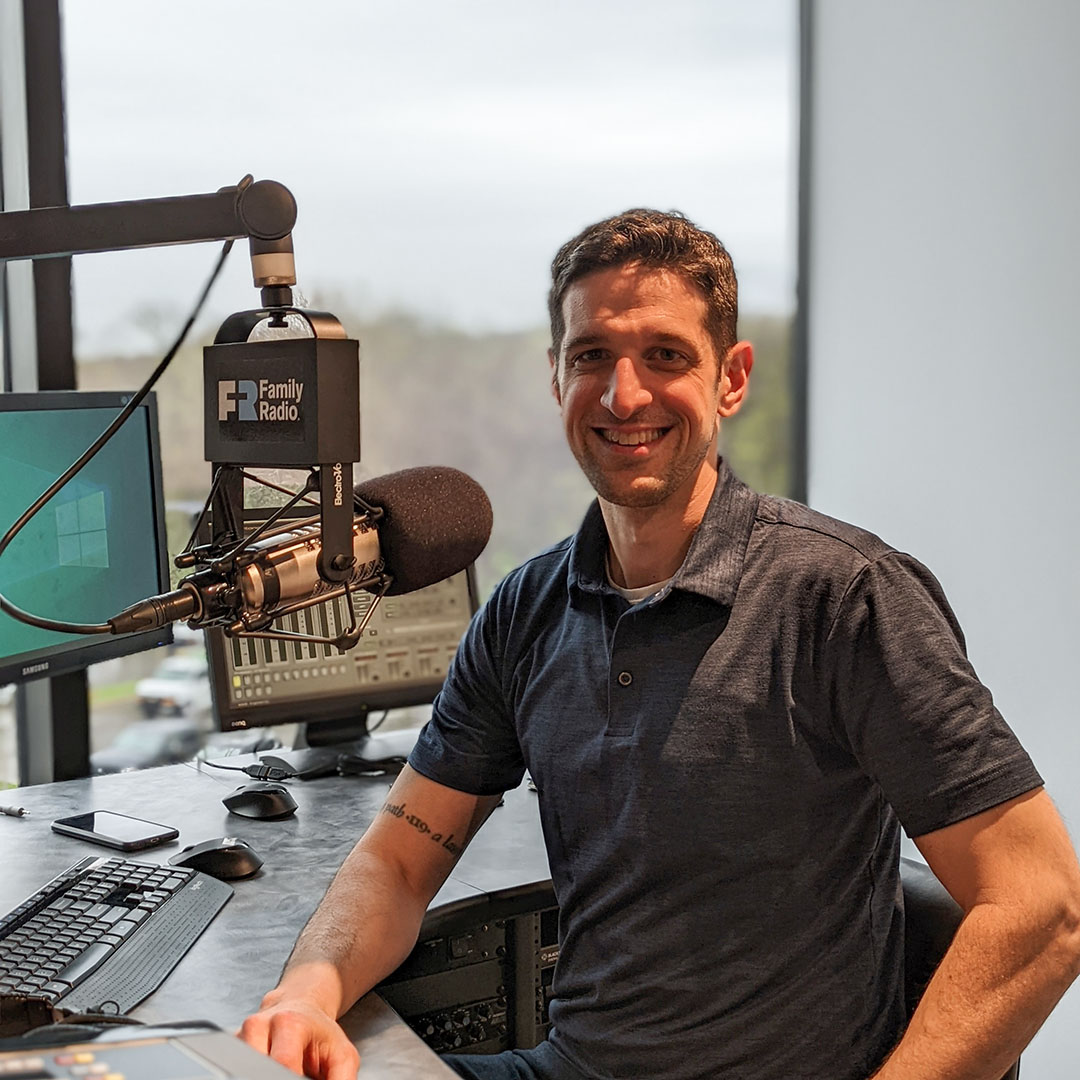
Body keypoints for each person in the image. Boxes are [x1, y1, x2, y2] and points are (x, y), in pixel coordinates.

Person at [240, 210, 1080, 1080]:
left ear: (732, 378)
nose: (623, 396)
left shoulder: (844, 596)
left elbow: (1042, 904)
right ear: (555, 375)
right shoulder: (528, 607)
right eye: (591, 355)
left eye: (665, 356)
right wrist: (307, 991)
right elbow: (400, 861)